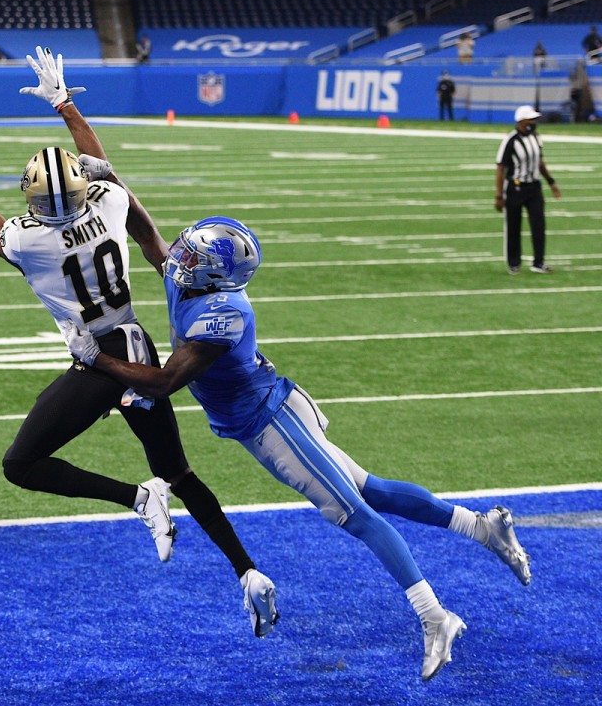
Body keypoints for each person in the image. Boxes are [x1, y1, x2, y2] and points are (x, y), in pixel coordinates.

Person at [61, 215, 533, 681]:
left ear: (214, 276)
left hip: (273, 421)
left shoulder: (223, 313)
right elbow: (145, 234)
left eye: (194, 255)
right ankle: (482, 527)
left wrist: (97, 358)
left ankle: (435, 618)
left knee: (355, 513)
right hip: (269, 409)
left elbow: (165, 382)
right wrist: (110, 177)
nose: (179, 256)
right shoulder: (192, 282)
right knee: (372, 490)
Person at [0, 45, 280, 638]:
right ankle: (246, 570)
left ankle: (136, 499)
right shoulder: (112, 203)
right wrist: (65, 104)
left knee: (21, 464)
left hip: (103, 361)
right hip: (138, 344)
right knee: (179, 472)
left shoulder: (30, 243)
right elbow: (102, 167)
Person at [495, 105, 562, 273]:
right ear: (522, 120)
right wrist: (498, 195)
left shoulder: (536, 138)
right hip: (515, 187)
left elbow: (540, 162)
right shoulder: (511, 139)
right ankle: (514, 263)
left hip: (534, 187)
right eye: (531, 119)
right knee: (513, 226)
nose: (534, 122)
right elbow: (500, 168)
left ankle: (538, 262)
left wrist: (551, 182)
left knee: (539, 225)